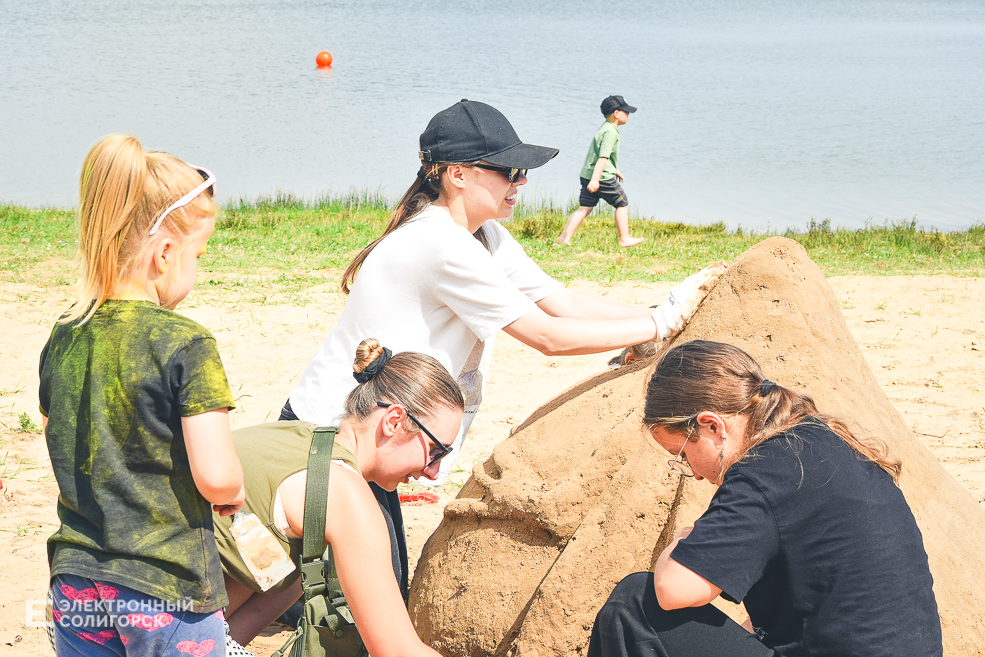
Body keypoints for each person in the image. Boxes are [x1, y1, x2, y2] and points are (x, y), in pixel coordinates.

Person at [283, 99, 726, 599]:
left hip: (375, 437)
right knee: (349, 611)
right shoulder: (441, 244)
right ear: (458, 175)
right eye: (509, 171)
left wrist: (657, 318)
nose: (522, 182)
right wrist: (660, 322)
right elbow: (547, 337)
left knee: (358, 600)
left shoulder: (483, 235)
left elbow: (561, 302)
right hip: (327, 441)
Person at [587, 340, 943, 657]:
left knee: (634, 601)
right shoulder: (819, 442)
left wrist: (679, 542)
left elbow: (673, 589)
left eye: (682, 452)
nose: (693, 472)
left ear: (712, 425)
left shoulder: (764, 472)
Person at [39, 135, 245, 655]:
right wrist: (232, 495)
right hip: (165, 591)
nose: (198, 268)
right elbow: (217, 476)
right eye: (199, 253)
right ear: (165, 253)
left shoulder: (64, 335)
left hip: (76, 582)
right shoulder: (185, 344)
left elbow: (56, 436)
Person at [217, 339, 464, 656]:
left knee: (296, 567)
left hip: (146, 608)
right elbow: (397, 651)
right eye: (435, 451)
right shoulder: (345, 494)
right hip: (154, 622)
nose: (433, 472)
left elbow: (260, 574)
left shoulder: (302, 441)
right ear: (393, 422)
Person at [556, 95, 643, 247]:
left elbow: (599, 155)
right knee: (622, 203)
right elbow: (603, 157)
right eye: (626, 111)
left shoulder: (604, 128)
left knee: (584, 207)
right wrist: (596, 179)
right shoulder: (611, 132)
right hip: (601, 177)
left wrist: (614, 169)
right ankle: (624, 238)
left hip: (587, 174)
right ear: (616, 113)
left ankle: (564, 238)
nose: (628, 114)